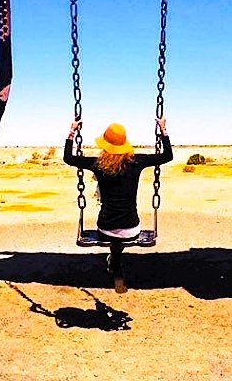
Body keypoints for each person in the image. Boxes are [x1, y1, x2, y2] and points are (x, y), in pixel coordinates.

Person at [64, 119, 173, 293]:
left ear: (105, 145)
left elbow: (68, 158)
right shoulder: (136, 161)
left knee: (113, 234)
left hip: (105, 228)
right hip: (131, 228)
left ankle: (116, 265)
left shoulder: (97, 164)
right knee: (121, 233)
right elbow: (168, 156)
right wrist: (163, 130)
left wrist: (72, 132)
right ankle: (116, 265)